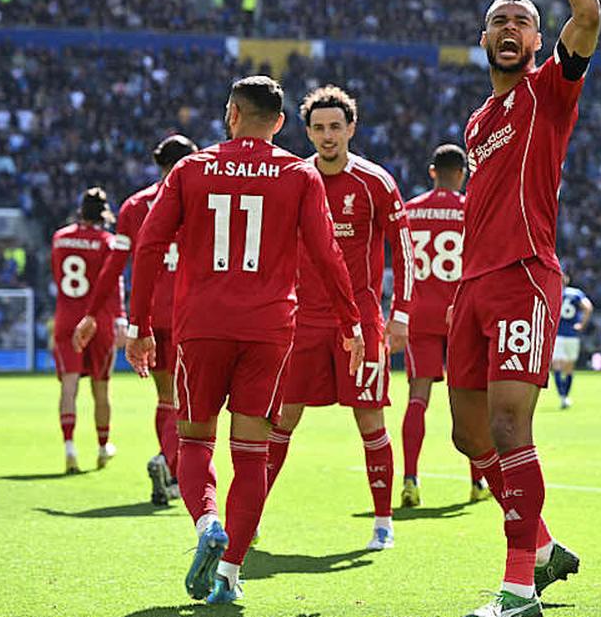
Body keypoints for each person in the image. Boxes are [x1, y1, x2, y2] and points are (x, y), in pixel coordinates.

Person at [125, 76, 362, 605]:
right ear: (279, 123)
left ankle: (207, 522)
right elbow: (327, 255)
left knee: (194, 441)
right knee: (252, 453)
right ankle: (230, 573)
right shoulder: (299, 174)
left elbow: (149, 245)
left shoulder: (191, 168)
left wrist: (140, 326)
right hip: (270, 330)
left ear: (232, 114)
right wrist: (351, 325)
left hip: (202, 326)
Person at [446, 0, 600, 615]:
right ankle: (540, 548)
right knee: (468, 435)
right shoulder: (478, 121)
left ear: (538, 41)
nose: (510, 29)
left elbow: (588, 14)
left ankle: (516, 590)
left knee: (510, 426)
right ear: (483, 39)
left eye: (523, 22)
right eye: (499, 21)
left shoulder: (549, 92)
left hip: (524, 275)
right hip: (473, 285)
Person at [264, 85, 413, 551]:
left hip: (362, 323)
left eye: (336, 127)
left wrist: (401, 313)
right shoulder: (291, 179)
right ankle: (249, 520)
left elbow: (404, 250)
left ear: (351, 128)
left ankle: (383, 523)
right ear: (306, 132)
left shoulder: (375, 182)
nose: (328, 136)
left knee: (370, 420)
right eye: (319, 128)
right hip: (301, 321)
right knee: (282, 419)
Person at [73, 135, 198, 505]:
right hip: (192, 315)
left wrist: (92, 314)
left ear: (158, 164)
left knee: (166, 398)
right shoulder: (202, 199)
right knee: (191, 404)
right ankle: (169, 464)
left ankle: (170, 469)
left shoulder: (134, 206)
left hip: (150, 318)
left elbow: (114, 266)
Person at [399, 144, 490, 508]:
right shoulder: (473, 210)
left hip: (420, 313)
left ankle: (410, 479)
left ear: (432, 171)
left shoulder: (409, 211)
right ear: (463, 174)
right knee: (469, 397)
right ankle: (477, 480)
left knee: (418, 397)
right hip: (461, 313)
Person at [50, 187, 124, 474]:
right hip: (98, 321)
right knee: (101, 388)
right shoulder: (108, 241)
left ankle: (69, 446)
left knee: (69, 386)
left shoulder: (60, 238)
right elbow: (113, 283)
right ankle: (103, 445)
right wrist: (120, 318)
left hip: (67, 316)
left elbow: (57, 276)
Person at [551, 272, 593, 409]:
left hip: (557, 334)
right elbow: (588, 307)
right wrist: (581, 324)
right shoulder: (575, 293)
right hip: (572, 334)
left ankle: (562, 396)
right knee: (569, 367)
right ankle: (566, 396)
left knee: (556, 365)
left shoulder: (551, 292)